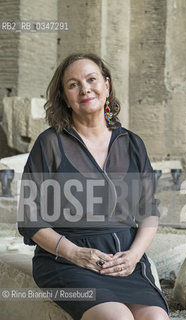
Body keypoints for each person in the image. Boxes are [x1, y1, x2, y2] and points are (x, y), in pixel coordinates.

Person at [18, 53, 170, 320]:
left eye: (91, 79)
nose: (85, 88)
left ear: (107, 86)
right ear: (64, 97)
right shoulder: (50, 143)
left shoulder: (132, 144)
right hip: (66, 260)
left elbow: (149, 212)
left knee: (156, 318)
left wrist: (134, 256)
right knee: (118, 318)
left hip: (124, 261)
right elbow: (30, 219)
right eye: (73, 84)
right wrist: (75, 253)